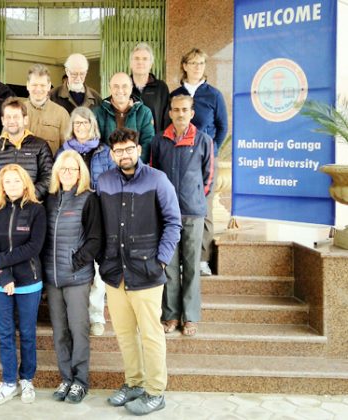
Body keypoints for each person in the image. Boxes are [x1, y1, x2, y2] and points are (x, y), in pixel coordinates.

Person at [97, 128, 181, 416]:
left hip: (147, 271)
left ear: (138, 150)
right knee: (124, 333)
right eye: (118, 150)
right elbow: (98, 224)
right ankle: (134, 383)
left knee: (150, 334)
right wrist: (101, 259)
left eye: (129, 149)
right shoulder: (104, 181)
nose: (124, 154)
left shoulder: (158, 180)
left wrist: (161, 259)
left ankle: (155, 391)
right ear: (112, 154)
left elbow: (173, 222)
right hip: (114, 272)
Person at [151, 95, 214, 337]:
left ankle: (190, 317)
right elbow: (154, 173)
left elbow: (208, 177)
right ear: (170, 112)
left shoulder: (203, 141)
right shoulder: (159, 141)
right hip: (167, 215)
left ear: (191, 112)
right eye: (176, 109)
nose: (180, 114)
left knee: (190, 266)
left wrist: (197, 197)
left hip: (192, 213)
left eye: (184, 110)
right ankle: (171, 316)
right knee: (168, 267)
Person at [43, 150, 102, 404]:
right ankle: (66, 378)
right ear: (56, 172)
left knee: (79, 330)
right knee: (60, 332)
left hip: (76, 277)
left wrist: (75, 261)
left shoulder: (88, 199)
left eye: (72, 169)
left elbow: (95, 239)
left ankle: (80, 381)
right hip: (52, 277)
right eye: (63, 169)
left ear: (81, 173)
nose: (67, 173)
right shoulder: (49, 199)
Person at [0, 164, 46, 406]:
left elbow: (33, 247)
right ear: (1, 186)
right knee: (5, 333)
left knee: (28, 333)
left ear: (25, 183)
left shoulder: (36, 211)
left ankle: (27, 379)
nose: (11, 185)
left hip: (29, 282)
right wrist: (4, 275)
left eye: (16, 181)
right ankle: (9, 381)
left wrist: (1, 262)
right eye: (7, 182)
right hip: (1, 282)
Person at [57, 107, 116, 337]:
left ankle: (96, 316)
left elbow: (113, 180)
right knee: (75, 262)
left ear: (93, 125)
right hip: (72, 211)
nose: (81, 128)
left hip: (98, 210)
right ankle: (73, 316)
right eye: (77, 124)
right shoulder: (64, 151)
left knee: (97, 268)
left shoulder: (104, 151)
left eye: (85, 123)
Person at [170, 47, 228, 276]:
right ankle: (181, 258)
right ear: (184, 66)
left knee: (204, 210)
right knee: (178, 210)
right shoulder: (175, 93)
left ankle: (202, 259)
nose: (197, 67)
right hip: (179, 159)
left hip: (203, 161)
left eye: (201, 63)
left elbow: (222, 127)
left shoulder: (213, 95)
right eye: (192, 63)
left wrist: (212, 149)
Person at [0, 97, 53, 201]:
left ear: (25, 120)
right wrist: (2, 199)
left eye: (16, 117)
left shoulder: (40, 146)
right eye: (8, 117)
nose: (12, 121)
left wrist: (28, 197)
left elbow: (49, 177)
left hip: (32, 207)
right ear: (2, 120)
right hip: (2, 208)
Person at [93, 72, 155, 162]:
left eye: (124, 86)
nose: (120, 90)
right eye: (116, 86)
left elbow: (147, 144)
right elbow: (96, 144)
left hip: (135, 168)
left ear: (131, 88)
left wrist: (134, 167)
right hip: (107, 167)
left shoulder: (144, 112)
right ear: (110, 89)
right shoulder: (97, 113)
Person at [23, 64, 70, 155]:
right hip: (21, 168)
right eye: (34, 85)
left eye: (42, 85)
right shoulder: (16, 111)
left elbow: (67, 151)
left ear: (49, 86)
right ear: (28, 85)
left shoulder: (61, 114)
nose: (38, 89)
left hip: (51, 168)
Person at [129, 42, 170, 134]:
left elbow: (167, 118)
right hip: (129, 144)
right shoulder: (123, 87)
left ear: (151, 64)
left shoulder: (161, 87)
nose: (140, 62)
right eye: (136, 58)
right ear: (131, 63)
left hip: (155, 142)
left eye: (145, 59)